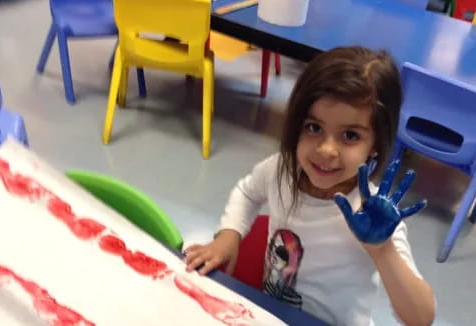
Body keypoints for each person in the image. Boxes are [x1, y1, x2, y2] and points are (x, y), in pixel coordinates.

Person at [184, 46, 435, 326]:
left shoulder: (373, 217)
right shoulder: (281, 170)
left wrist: (383, 251)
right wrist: (229, 235)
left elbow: (420, 318)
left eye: (350, 135)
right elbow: (247, 192)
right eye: (314, 127)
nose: (326, 149)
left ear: (375, 144)